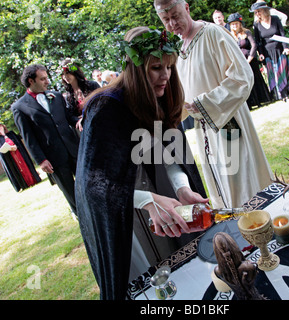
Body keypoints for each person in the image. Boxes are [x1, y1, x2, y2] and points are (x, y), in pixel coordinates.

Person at [75, 26, 208, 300]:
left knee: (189, 278)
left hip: (167, 200)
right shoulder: (105, 107)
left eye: (170, 67)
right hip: (126, 217)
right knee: (150, 288)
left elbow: (170, 156)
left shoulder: (162, 98)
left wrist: (182, 187)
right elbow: (94, 186)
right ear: (135, 67)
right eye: (156, 68)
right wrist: (147, 200)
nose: (166, 76)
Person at [155, 0, 274, 209]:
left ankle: (258, 230)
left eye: (175, 16)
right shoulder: (181, 50)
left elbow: (242, 77)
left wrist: (203, 104)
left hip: (229, 123)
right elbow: (185, 97)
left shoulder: (212, 34)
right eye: (166, 20)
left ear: (187, 8)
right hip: (206, 132)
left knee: (242, 184)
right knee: (223, 188)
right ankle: (239, 232)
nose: (172, 24)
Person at [11, 64, 80, 216]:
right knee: (72, 195)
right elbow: (28, 137)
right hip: (54, 158)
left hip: (74, 149)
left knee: (88, 185)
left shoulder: (55, 96)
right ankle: (83, 221)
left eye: (47, 78)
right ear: (31, 81)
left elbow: (69, 118)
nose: (47, 82)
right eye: (42, 79)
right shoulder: (20, 107)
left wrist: (79, 120)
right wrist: (41, 160)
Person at [227, 12, 272, 109]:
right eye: (232, 24)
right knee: (245, 83)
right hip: (240, 63)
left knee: (256, 79)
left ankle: (261, 100)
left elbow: (254, 45)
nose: (235, 26)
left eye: (236, 23)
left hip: (251, 60)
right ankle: (251, 103)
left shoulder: (247, 32)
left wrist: (250, 58)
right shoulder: (230, 36)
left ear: (239, 24)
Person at [252, 2, 289, 102]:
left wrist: (286, 47)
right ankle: (278, 94)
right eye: (255, 12)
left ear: (265, 10)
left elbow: (282, 34)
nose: (257, 14)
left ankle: (285, 94)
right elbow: (258, 41)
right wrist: (261, 53)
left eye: (259, 11)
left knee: (282, 70)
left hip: (279, 49)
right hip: (267, 52)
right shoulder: (257, 24)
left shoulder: (275, 19)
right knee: (272, 72)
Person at [0, 121, 41, 192]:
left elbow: (18, 142)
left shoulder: (11, 134)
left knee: (25, 166)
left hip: (18, 153)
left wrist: (15, 146)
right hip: (10, 158)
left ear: (3, 126)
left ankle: (33, 180)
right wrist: (10, 148)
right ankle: (24, 184)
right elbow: (0, 150)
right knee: (17, 169)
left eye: (0, 126)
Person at [60, 59, 100, 131]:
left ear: (74, 72)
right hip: (87, 129)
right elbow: (70, 116)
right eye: (63, 74)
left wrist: (86, 117)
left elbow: (101, 103)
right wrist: (79, 121)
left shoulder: (92, 85)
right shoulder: (69, 96)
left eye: (67, 73)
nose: (65, 76)